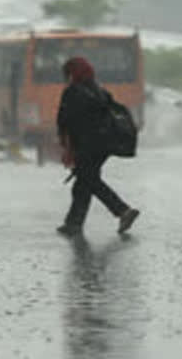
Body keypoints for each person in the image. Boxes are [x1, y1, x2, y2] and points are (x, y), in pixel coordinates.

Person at [56, 57, 140, 237]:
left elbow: (65, 121)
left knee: (89, 180)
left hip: (87, 145)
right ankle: (73, 224)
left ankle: (123, 210)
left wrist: (66, 145)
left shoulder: (73, 92)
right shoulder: (99, 90)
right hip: (105, 144)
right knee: (83, 183)